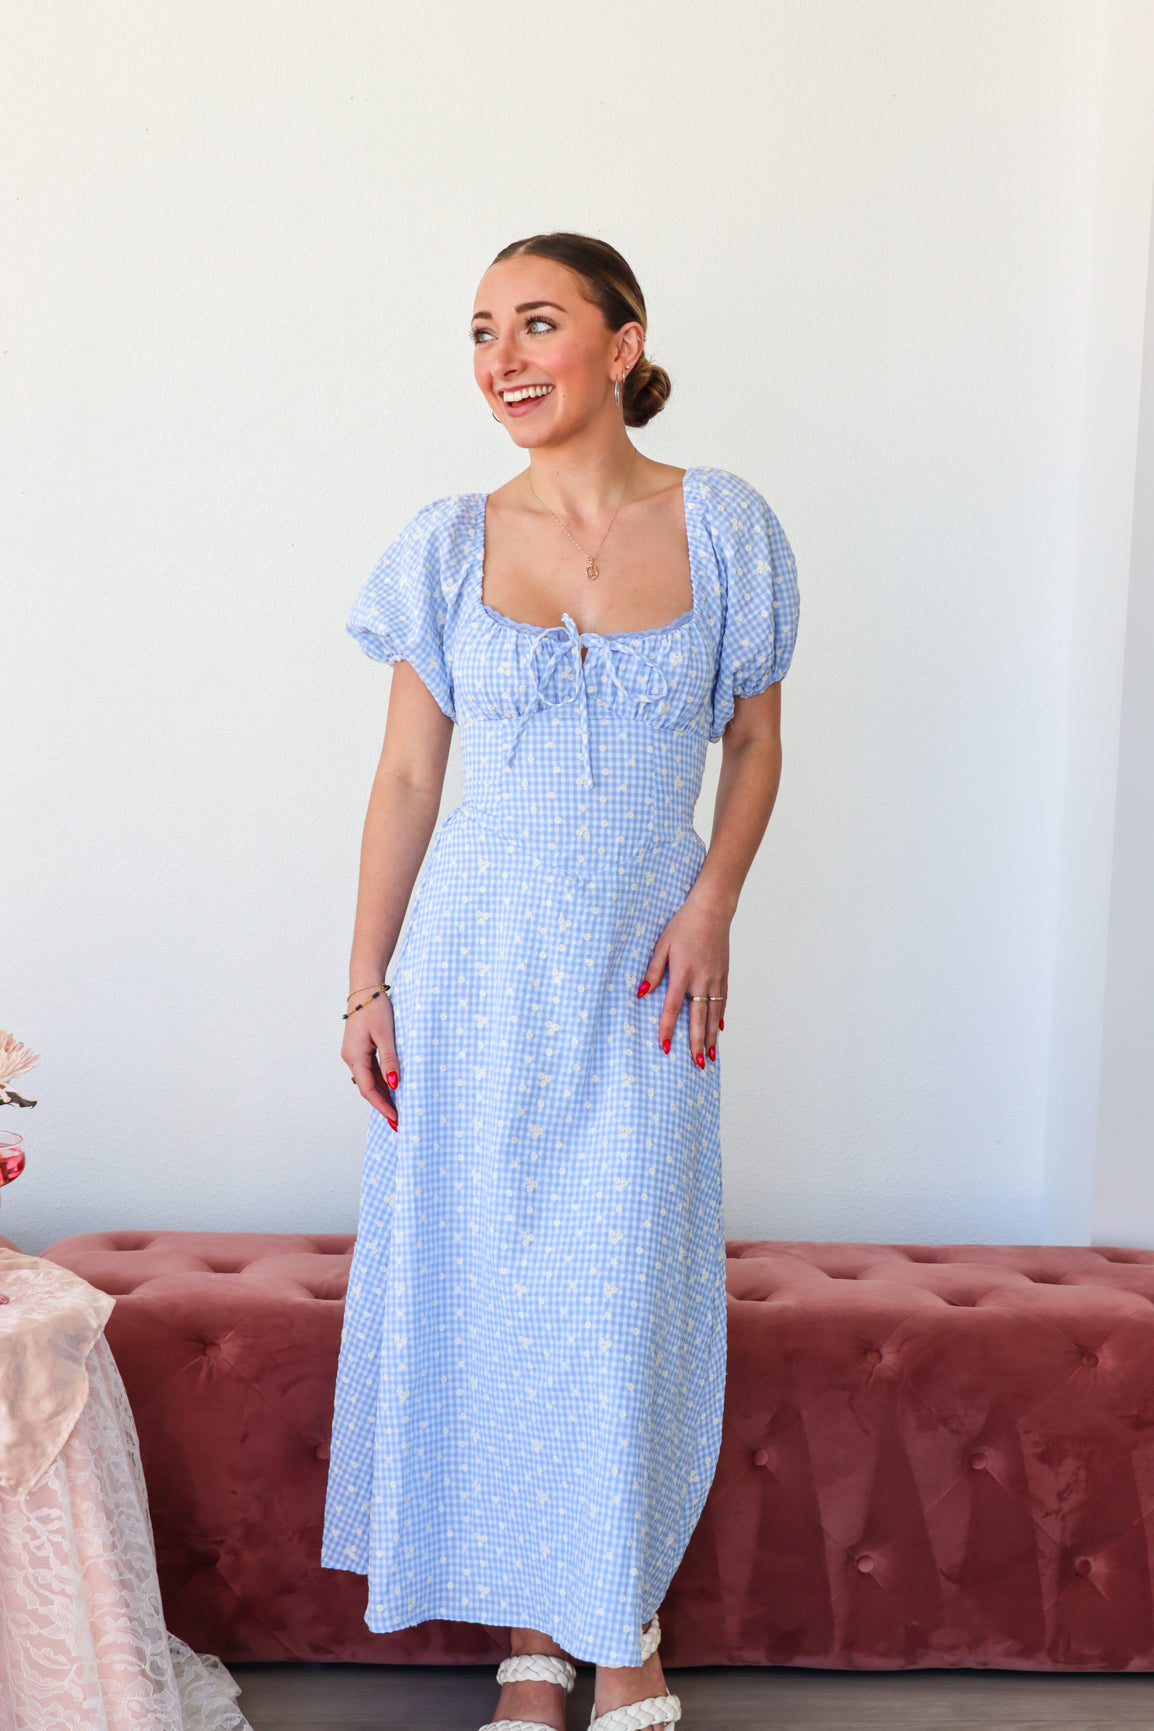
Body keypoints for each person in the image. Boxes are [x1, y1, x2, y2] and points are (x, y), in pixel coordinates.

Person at [322, 232, 799, 1731]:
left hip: (645, 962)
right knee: (492, 1287)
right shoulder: (444, 543)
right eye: (481, 334)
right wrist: (363, 983)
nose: (503, 360)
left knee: (621, 1289)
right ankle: (536, 1641)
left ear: (620, 341)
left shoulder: (720, 524)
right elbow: (407, 773)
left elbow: (756, 740)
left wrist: (714, 900)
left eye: (536, 324)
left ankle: (624, 1625)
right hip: (471, 964)